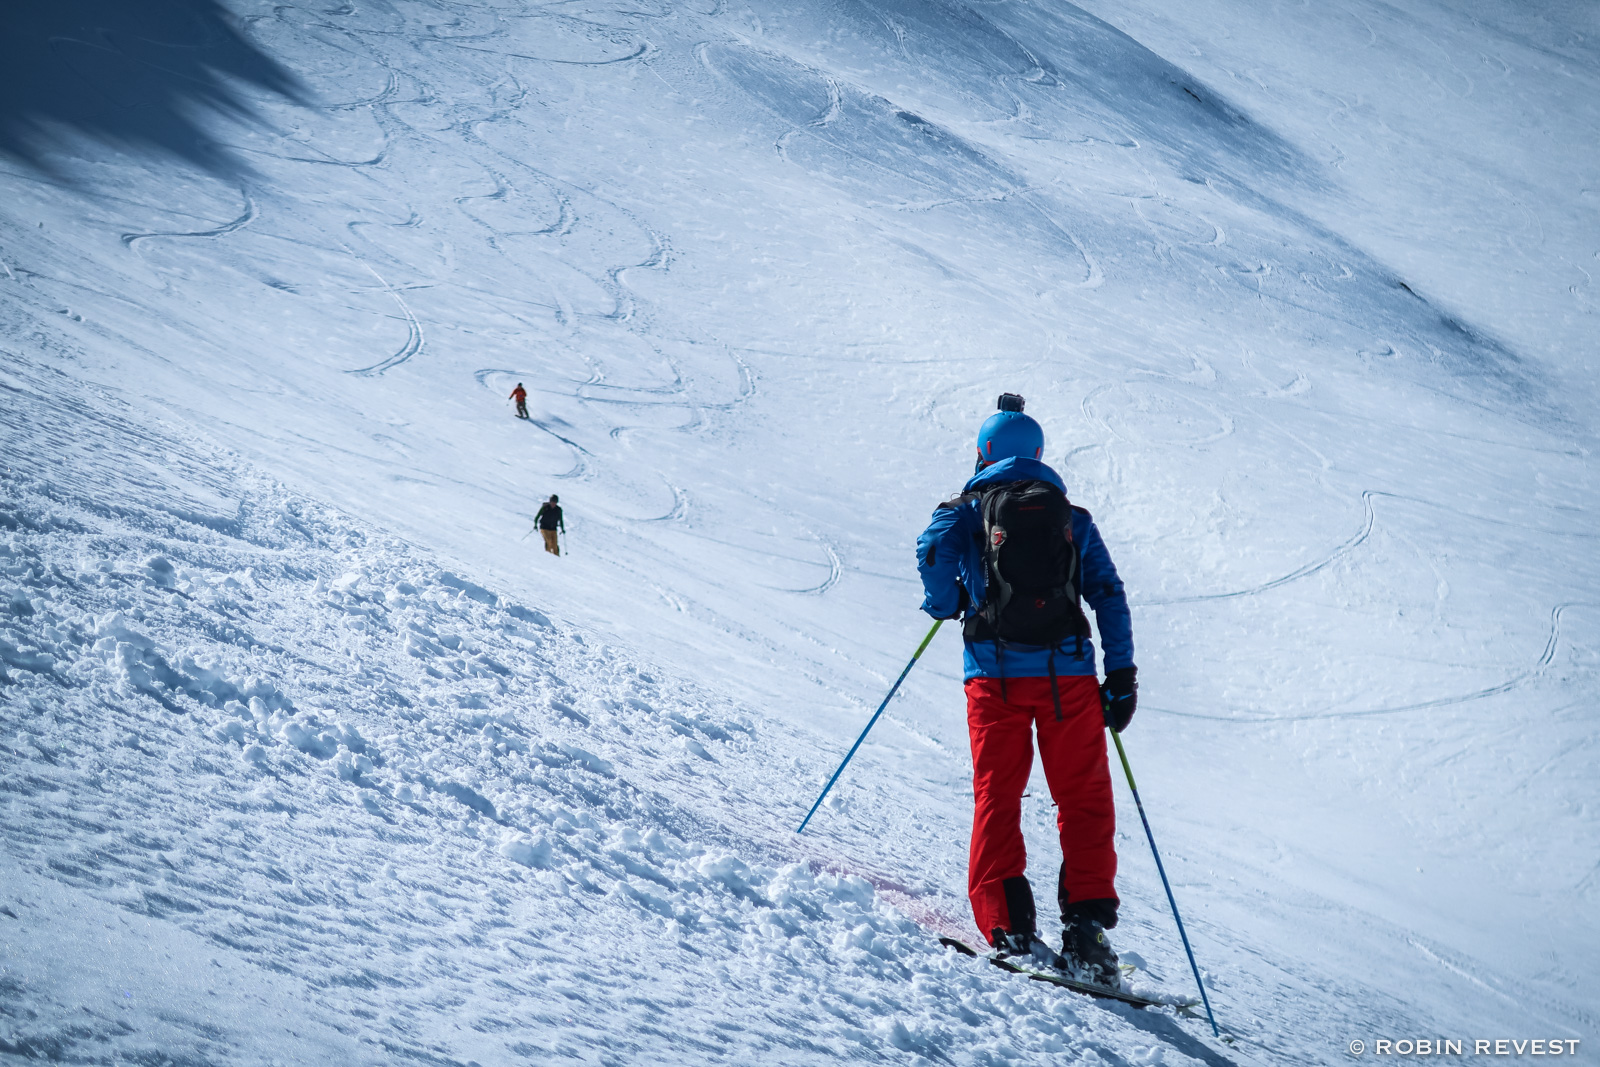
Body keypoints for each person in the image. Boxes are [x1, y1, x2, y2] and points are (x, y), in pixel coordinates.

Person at [915, 394, 1137, 988]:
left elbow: (931, 551)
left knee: (999, 794)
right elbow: (1109, 594)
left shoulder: (967, 510)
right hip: (1069, 680)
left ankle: (1006, 927)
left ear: (983, 452)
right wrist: (1121, 676)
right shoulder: (1072, 518)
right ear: (1038, 454)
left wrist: (947, 603)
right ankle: (1086, 935)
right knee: (1084, 800)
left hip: (993, 677)